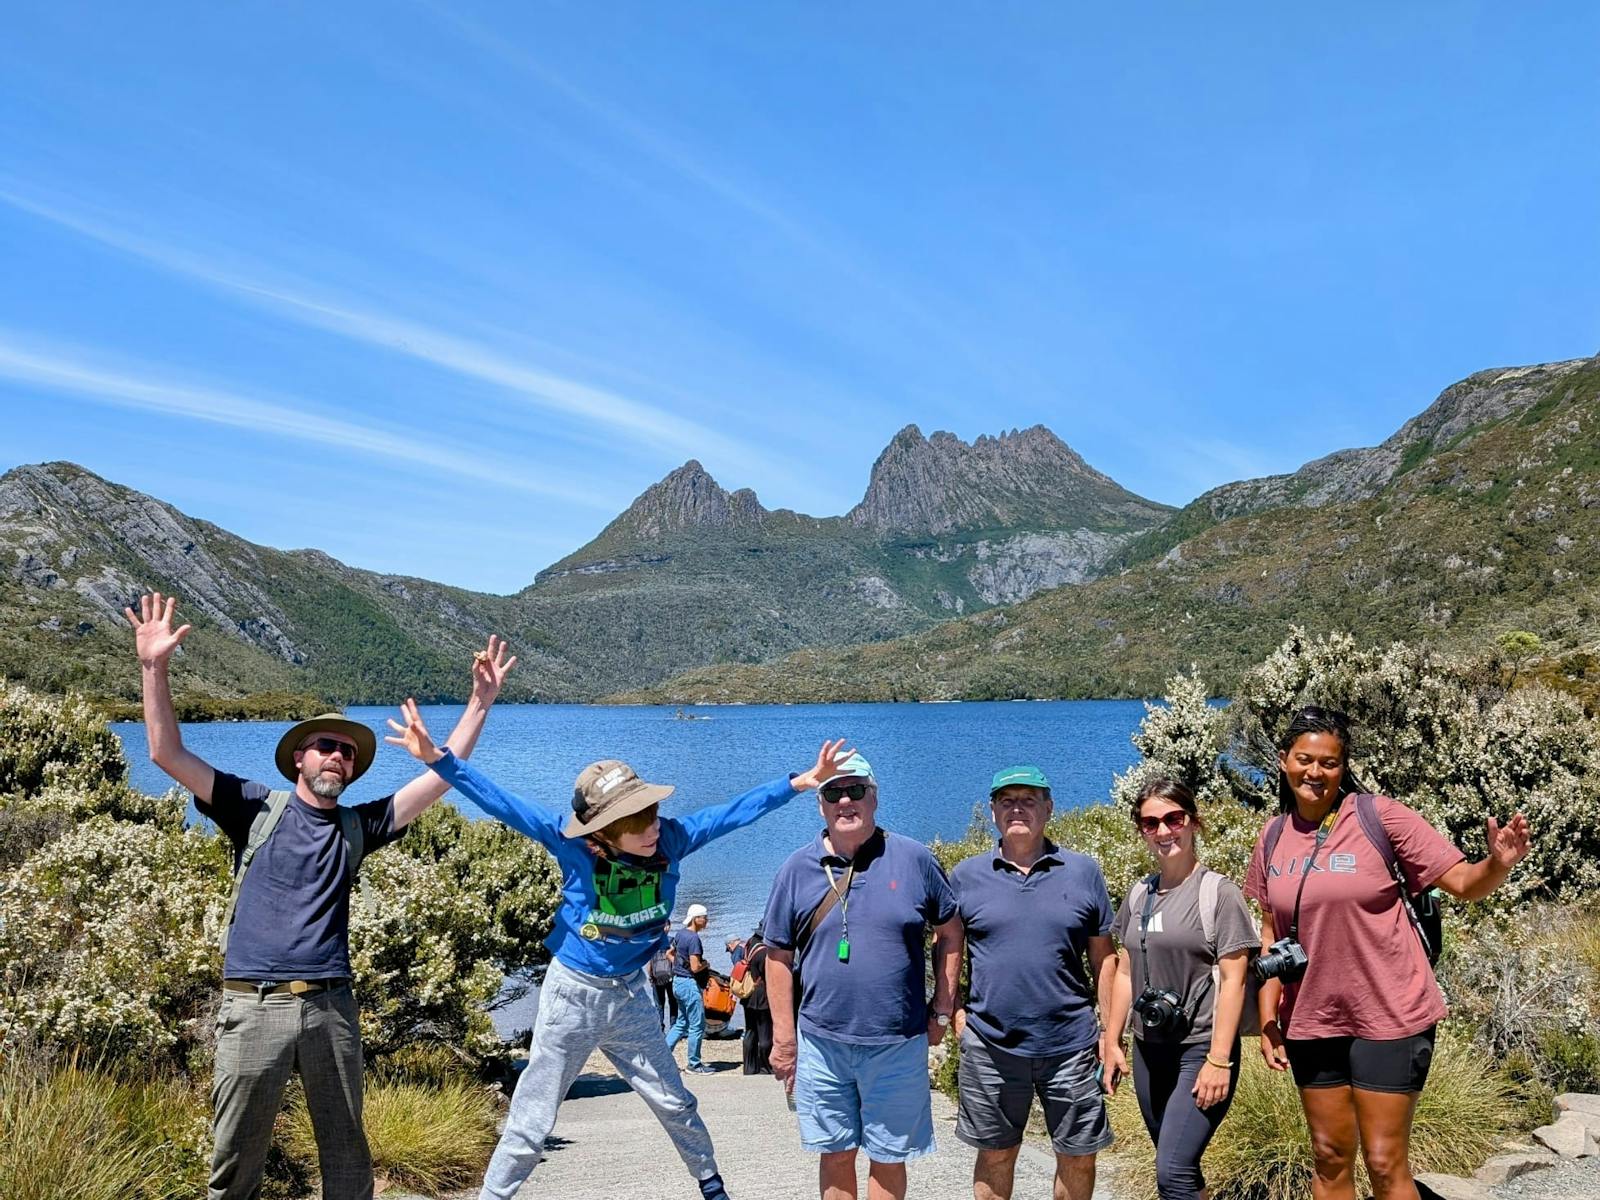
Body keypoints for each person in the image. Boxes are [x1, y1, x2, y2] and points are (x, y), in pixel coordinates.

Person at [125, 591, 516, 1200]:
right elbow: (165, 753)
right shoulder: (253, 807)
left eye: (347, 752)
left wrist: (478, 703)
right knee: (235, 1164)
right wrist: (154, 667)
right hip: (254, 1005)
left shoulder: (359, 826)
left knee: (348, 1164)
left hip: (332, 1009)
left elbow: (441, 776)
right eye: (325, 747)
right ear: (298, 760)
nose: (337, 756)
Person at [387, 706, 854, 1200]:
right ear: (605, 830)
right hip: (573, 996)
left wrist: (799, 783)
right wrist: (438, 759)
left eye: (651, 812)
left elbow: (729, 815)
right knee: (533, 1117)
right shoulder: (573, 846)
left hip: (631, 997)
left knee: (675, 1102)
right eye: (637, 821)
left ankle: (712, 1187)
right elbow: (502, 802)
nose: (653, 827)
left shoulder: (669, 840)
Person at [1245, 706, 1531, 1200]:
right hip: (1313, 1019)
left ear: (1343, 765)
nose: (1315, 772)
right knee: (1330, 1158)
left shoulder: (1380, 817)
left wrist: (1497, 863)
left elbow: (1462, 882)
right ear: (1283, 761)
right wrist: (1269, 1019)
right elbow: (1273, 935)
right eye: (1304, 759)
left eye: (1329, 762)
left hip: (1391, 1012)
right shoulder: (1272, 837)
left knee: (1383, 1162)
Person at [763, 752, 962, 1200]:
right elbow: (778, 957)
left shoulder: (914, 859)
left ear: (874, 798)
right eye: (834, 792)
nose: (845, 801)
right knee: (834, 1154)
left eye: (856, 790)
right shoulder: (795, 869)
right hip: (821, 1043)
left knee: (889, 1157)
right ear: (821, 805)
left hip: (897, 1042)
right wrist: (784, 1039)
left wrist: (944, 1007)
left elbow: (950, 931)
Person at [949, 765, 1117, 1200]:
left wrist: (1109, 1033)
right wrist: (952, 1011)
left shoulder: (1082, 872)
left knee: (1079, 1156)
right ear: (992, 812)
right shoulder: (967, 875)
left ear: (1049, 808)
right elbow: (948, 946)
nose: (1017, 808)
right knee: (996, 1156)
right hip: (990, 1046)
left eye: (1028, 799)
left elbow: (1105, 958)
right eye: (1007, 800)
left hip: (1072, 1045)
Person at [1101, 778, 1258, 1200]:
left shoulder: (1217, 895)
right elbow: (1126, 971)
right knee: (1180, 1168)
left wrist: (1219, 1060)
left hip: (1200, 1048)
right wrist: (1112, 1039)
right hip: (1149, 1048)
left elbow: (1234, 981)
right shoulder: (1139, 894)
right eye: (1151, 823)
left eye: (1174, 818)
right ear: (1141, 830)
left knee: (1172, 1173)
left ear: (1193, 823)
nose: (1164, 831)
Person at [667, 902, 714, 1073]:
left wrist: (678, 967)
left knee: (681, 1022)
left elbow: (669, 954)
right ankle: (694, 1064)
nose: (707, 920)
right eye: (705, 917)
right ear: (696, 919)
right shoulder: (694, 938)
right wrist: (705, 964)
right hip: (688, 984)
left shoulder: (680, 933)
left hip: (677, 982)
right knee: (697, 1025)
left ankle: (663, 1058)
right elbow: (695, 967)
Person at [739, 924, 773, 1075]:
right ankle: (765, 1067)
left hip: (748, 994)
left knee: (750, 1032)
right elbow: (770, 976)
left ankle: (749, 1067)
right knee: (765, 1034)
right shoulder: (765, 951)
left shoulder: (749, 943)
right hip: (762, 997)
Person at [651, 922, 680, 1031]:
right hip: (671, 976)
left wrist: (650, 976)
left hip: (656, 977)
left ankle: (660, 1029)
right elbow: (677, 959)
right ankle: (674, 1027)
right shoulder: (672, 941)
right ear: (669, 927)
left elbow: (650, 962)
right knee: (673, 1002)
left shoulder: (653, 942)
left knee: (659, 1004)